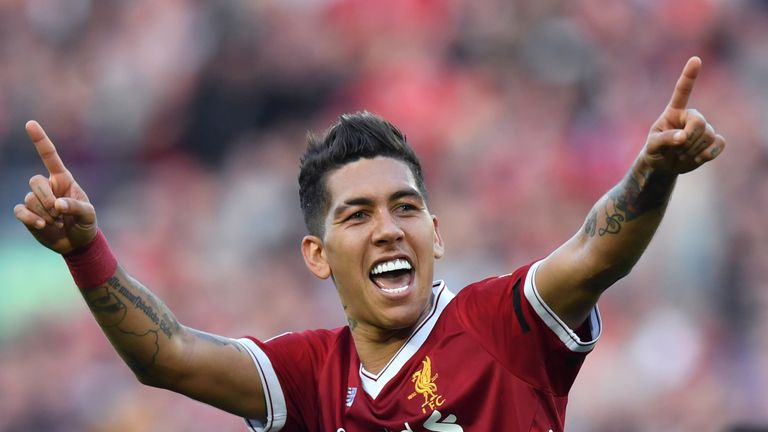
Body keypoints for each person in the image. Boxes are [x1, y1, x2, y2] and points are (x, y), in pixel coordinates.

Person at [14, 56, 725, 431]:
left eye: (406, 207)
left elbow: (598, 251)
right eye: (357, 215)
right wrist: (85, 248)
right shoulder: (309, 377)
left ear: (436, 234)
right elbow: (164, 355)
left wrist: (653, 169)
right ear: (317, 254)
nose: (388, 227)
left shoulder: (501, 326)